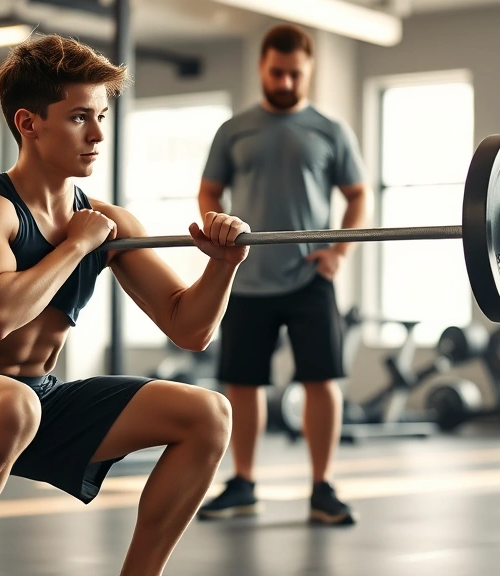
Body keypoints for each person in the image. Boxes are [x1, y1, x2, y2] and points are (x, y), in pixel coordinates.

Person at [0, 34, 253, 576]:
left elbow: (189, 329)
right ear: (28, 123)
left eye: (101, 116)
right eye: (80, 117)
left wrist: (222, 266)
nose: (98, 134)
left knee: (208, 414)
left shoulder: (110, 222)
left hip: (34, 402)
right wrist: (76, 246)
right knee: (13, 406)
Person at [196, 23, 371, 526]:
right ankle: (243, 483)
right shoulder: (234, 130)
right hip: (246, 276)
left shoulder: (330, 130)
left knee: (321, 380)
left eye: (296, 74)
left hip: (309, 276)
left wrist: (339, 252)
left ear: (308, 70)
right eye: (278, 72)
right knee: (242, 382)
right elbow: (209, 190)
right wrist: (217, 232)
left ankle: (322, 488)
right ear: (262, 67)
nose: (287, 82)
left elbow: (358, 194)